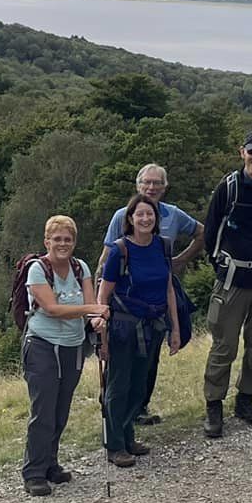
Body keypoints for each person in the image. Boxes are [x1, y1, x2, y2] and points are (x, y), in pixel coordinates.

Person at [102, 164, 204, 427]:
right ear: (138, 186)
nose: (151, 187)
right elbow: (107, 255)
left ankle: (139, 407)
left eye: (157, 183)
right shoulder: (122, 216)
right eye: (146, 182)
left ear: (165, 186)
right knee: (123, 359)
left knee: (151, 355)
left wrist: (180, 260)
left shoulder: (174, 215)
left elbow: (202, 232)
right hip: (126, 301)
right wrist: (98, 295)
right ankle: (115, 413)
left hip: (160, 295)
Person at [200, 132, 252, 439]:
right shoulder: (228, 187)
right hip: (233, 279)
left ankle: (246, 400)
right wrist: (218, 265)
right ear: (242, 152)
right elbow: (210, 229)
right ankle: (214, 404)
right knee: (224, 345)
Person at [97, 194, 185, 466]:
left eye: (150, 214)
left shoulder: (163, 246)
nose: (145, 219)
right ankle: (114, 445)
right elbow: (103, 297)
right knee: (118, 385)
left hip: (153, 327)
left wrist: (175, 329)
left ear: (156, 219)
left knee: (139, 387)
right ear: (131, 219)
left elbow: (169, 288)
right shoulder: (118, 251)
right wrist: (102, 336)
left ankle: (127, 436)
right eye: (140, 215)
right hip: (123, 328)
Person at [19, 214, 102, 493]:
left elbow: (91, 306)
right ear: (47, 241)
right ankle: (33, 472)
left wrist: (97, 319)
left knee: (60, 409)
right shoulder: (37, 270)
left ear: (74, 242)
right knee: (43, 410)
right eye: (57, 239)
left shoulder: (81, 268)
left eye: (67, 239)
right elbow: (52, 309)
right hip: (42, 345)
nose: (62, 244)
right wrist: (92, 312)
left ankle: (50, 463)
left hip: (73, 346)